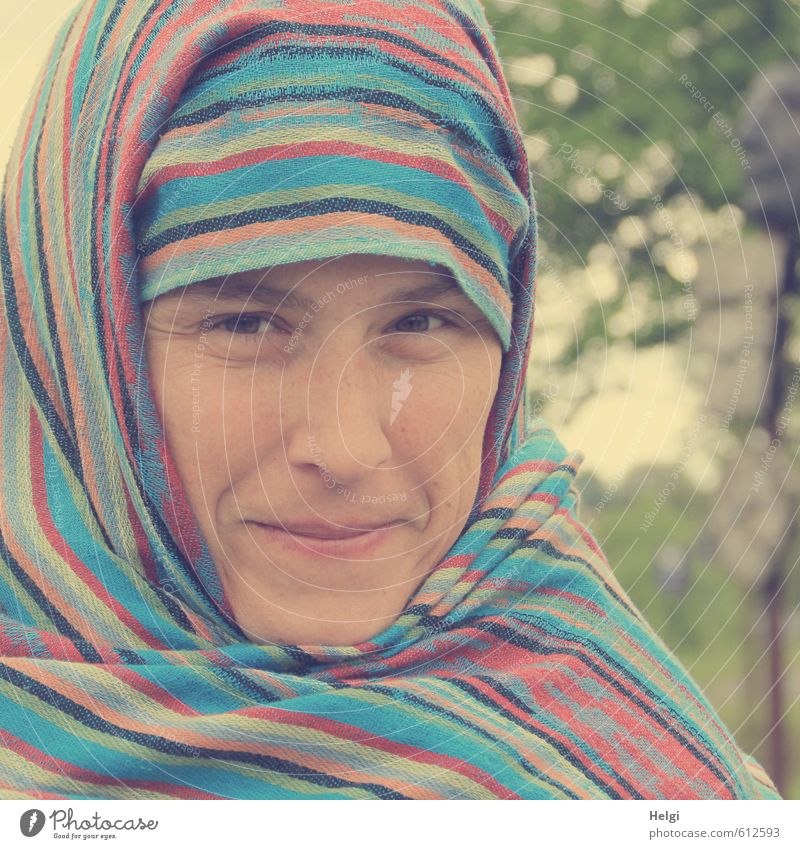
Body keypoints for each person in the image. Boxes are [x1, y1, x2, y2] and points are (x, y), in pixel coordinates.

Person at [0, 0, 781, 800]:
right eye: (243, 323)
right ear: (79, 337)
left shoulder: (646, 786)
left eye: (422, 320)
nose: (345, 448)